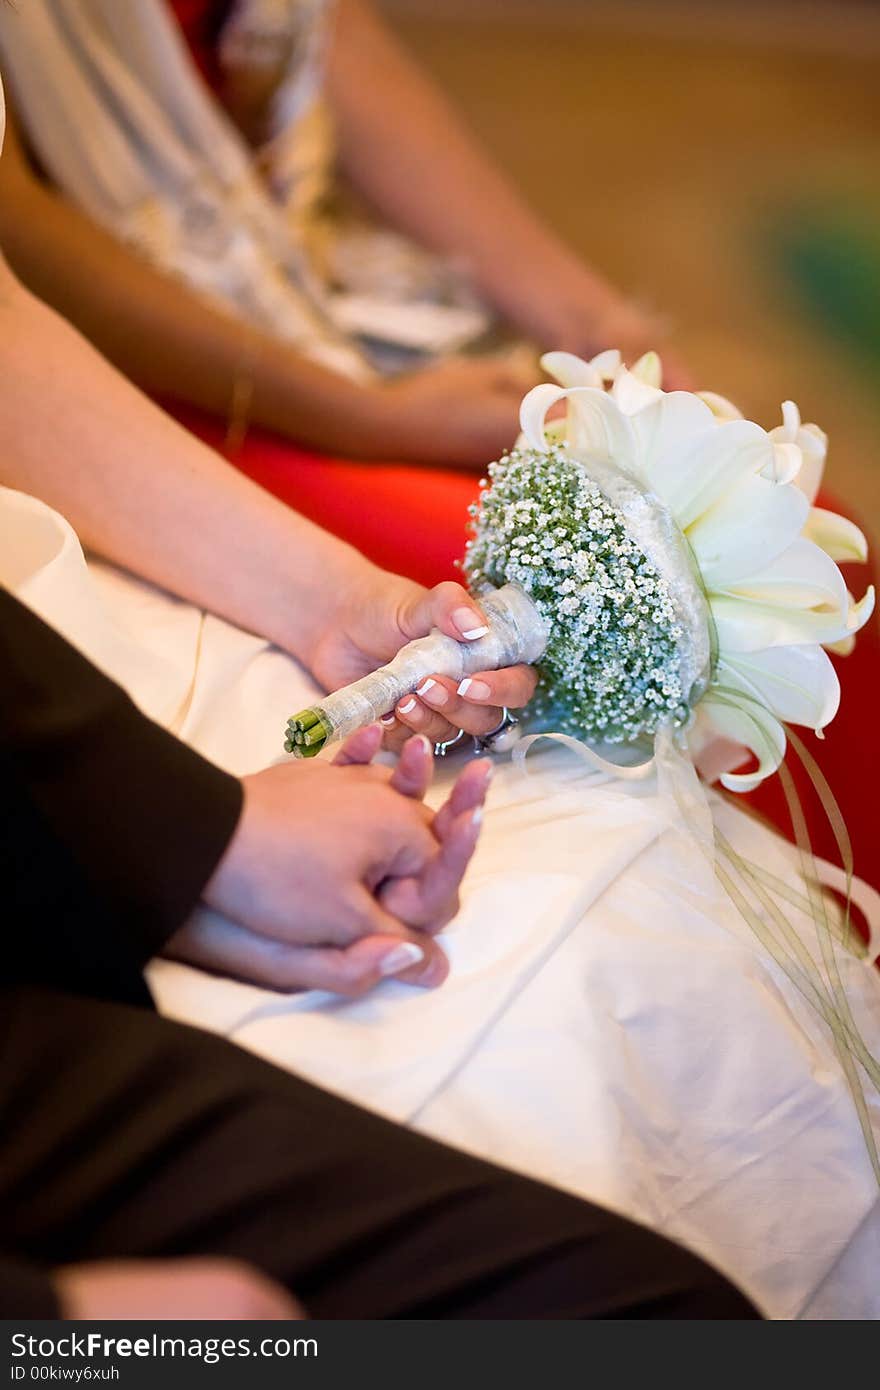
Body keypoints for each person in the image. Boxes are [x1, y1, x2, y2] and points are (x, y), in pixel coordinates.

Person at [0, 0, 684, 584]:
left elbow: (324, 30)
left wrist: (595, 324)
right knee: (627, 572)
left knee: (737, 507)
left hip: (291, 268)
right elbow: (16, 224)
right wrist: (365, 417)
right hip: (120, 362)